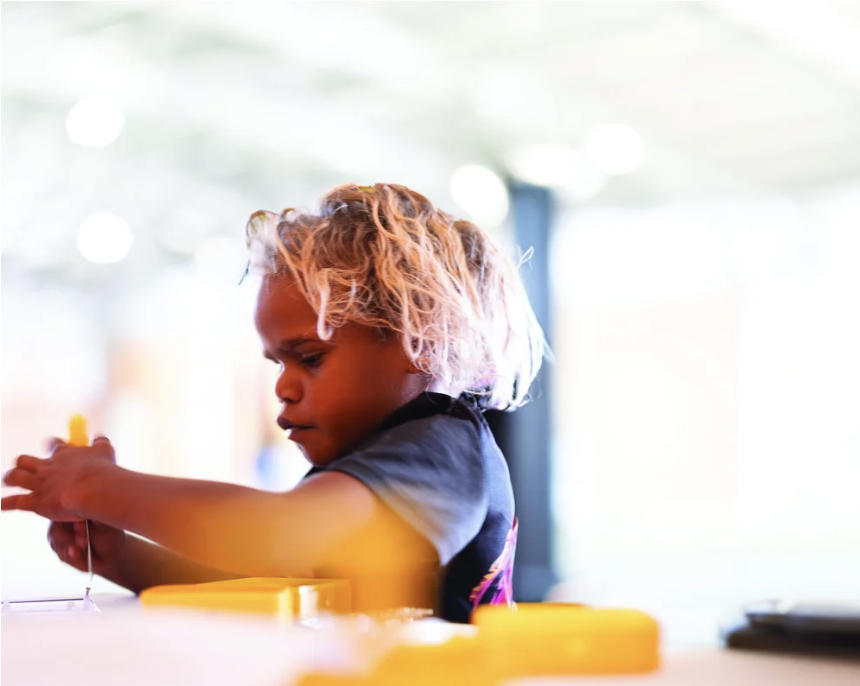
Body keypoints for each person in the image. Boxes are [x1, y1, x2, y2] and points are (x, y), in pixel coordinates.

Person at [2, 183, 546, 622]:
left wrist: (96, 487)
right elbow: (272, 584)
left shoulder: (442, 449)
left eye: (310, 358)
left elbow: (278, 535)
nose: (283, 388)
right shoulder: (369, 469)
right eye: (277, 364)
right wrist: (124, 556)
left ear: (419, 339)